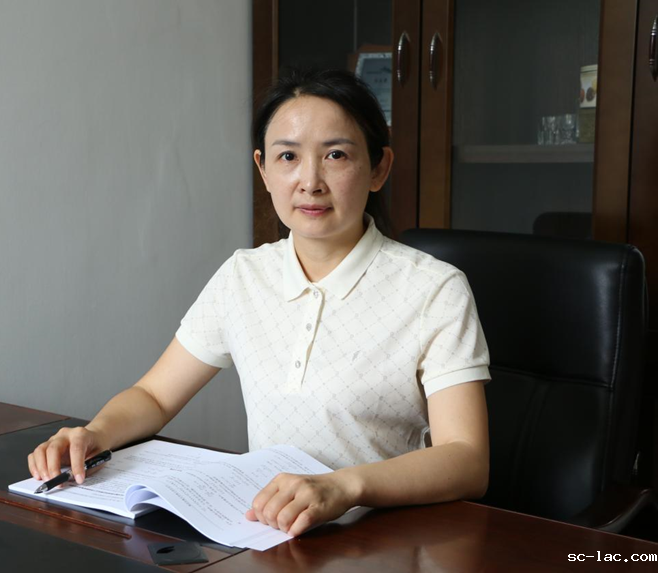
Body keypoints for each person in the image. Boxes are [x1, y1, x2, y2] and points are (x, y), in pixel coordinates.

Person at [28, 68, 490, 538]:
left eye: (335, 155)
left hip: (384, 538)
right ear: (264, 170)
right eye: (288, 156)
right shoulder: (243, 277)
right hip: (270, 534)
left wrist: (345, 486)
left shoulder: (434, 290)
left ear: (378, 168)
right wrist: (95, 433)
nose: (310, 181)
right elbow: (155, 396)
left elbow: (467, 458)